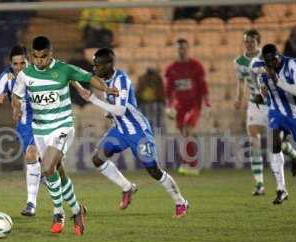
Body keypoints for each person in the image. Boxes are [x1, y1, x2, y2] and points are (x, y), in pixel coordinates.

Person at [12, 36, 118, 235]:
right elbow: (16, 96)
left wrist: (106, 88)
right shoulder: (25, 75)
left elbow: (89, 77)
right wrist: (16, 108)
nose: (39, 61)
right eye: (35, 57)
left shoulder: (64, 69)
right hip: (40, 129)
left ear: (50, 54)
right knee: (57, 173)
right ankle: (77, 210)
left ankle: (58, 213)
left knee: (47, 166)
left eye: (43, 57)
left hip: (62, 127)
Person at [78, 48, 189, 218]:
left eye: (98, 65)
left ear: (108, 65)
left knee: (154, 171)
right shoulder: (104, 82)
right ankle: (127, 187)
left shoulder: (121, 80)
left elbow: (121, 110)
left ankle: (181, 202)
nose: (95, 69)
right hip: (120, 131)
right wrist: (109, 113)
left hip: (137, 131)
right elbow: (119, 106)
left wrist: (93, 99)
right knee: (97, 158)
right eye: (94, 65)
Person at [251, 44, 296, 209]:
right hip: (278, 113)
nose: (271, 66)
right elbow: (256, 76)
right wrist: (260, 95)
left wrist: (278, 82)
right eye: (267, 64)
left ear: (278, 57)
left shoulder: (293, 64)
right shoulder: (262, 69)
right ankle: (281, 189)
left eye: (273, 62)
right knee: (275, 145)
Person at [234, 29, 296, 196]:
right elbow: (241, 82)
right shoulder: (239, 61)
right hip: (254, 105)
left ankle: (293, 155)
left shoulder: (266, 58)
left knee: (276, 144)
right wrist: (239, 98)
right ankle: (259, 184)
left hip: (272, 104)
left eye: (251, 41)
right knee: (254, 141)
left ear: (258, 41)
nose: (248, 43)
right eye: (246, 41)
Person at [0, 45, 42, 217]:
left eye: (22, 63)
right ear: (10, 64)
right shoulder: (6, 77)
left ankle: (73, 203)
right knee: (32, 156)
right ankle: (31, 204)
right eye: (15, 64)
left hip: (47, 122)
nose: (19, 67)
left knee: (51, 170)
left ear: (29, 62)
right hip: (26, 125)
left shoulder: (40, 72)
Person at [165, 38, 210, 175]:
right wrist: (169, 107)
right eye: (179, 48)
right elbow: (168, 91)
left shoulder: (196, 66)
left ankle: (192, 165)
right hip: (179, 107)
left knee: (187, 129)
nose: (181, 50)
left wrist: (207, 104)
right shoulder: (171, 69)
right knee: (184, 134)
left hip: (194, 105)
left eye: (184, 47)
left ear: (188, 49)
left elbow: (203, 86)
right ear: (176, 49)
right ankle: (187, 164)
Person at [135, 67, 165, 132]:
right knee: (148, 120)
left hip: (154, 103)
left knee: (156, 121)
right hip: (145, 103)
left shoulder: (157, 78)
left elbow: (161, 91)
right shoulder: (142, 79)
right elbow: (138, 91)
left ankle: (156, 132)